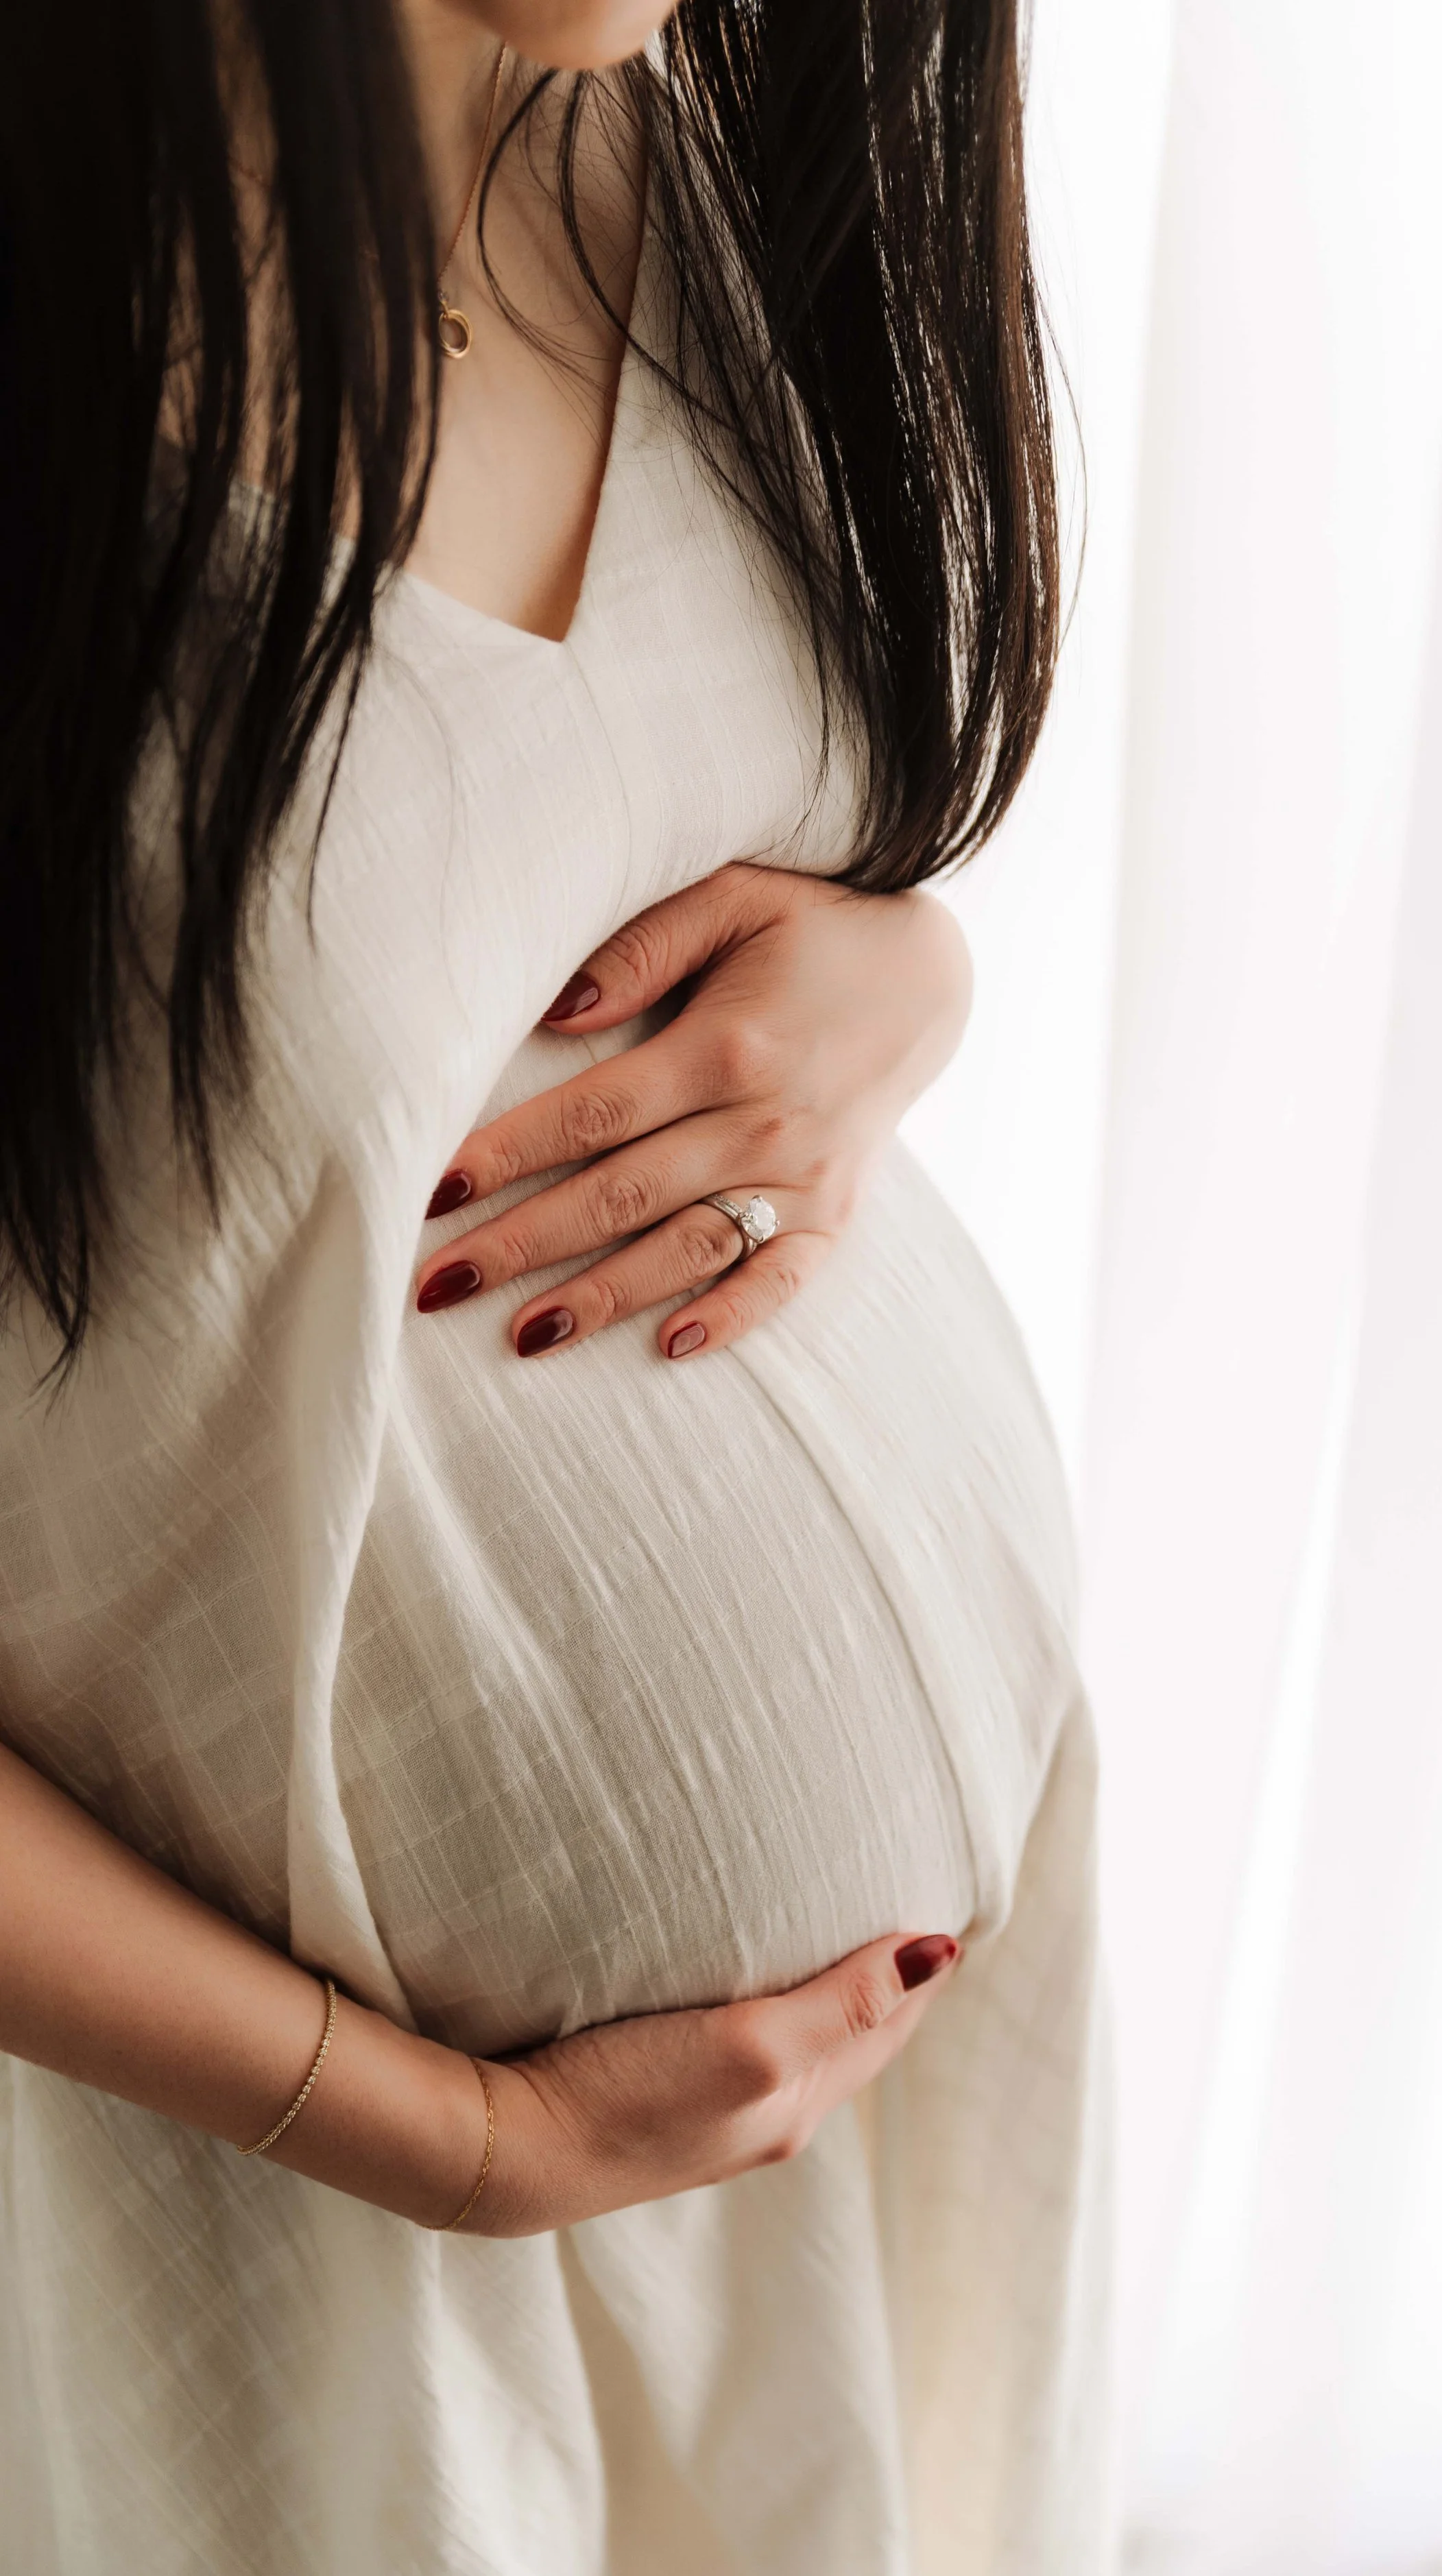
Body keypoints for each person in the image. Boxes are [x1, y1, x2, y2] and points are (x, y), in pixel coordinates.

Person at [0, 2, 1108, 2569]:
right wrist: (453, 2135)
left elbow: (521, 879)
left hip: (885, 2106)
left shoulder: (678, 160)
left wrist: (896, 973)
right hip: (316, 2172)